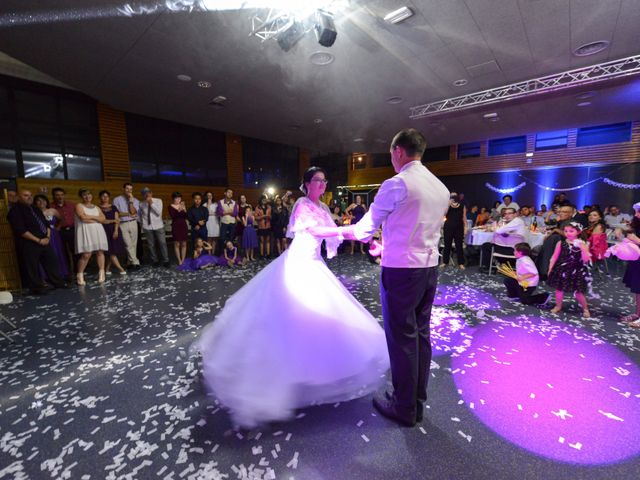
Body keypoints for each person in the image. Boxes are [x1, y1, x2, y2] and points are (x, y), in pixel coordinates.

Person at [198, 166, 389, 428]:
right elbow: (317, 232)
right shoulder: (301, 204)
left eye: (325, 180)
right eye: (318, 180)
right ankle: (285, 373)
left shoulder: (322, 207)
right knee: (294, 315)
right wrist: (351, 229)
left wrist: (361, 237)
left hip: (315, 262)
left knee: (319, 316)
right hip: (299, 263)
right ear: (307, 183)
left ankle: (313, 370)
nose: (322, 184)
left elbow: (334, 229)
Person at [342, 128, 450, 427]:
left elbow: (365, 229)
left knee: (402, 337)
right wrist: (385, 244)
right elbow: (416, 227)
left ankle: (403, 408)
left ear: (398, 151)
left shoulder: (397, 183)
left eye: (391, 154)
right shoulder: (440, 187)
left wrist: (342, 231)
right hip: (429, 268)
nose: (391, 159)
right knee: (421, 334)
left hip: (402, 271)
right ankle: (415, 400)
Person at [7, 190, 67, 294]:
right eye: (26, 195)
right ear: (18, 197)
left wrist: (47, 238)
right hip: (29, 242)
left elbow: (46, 224)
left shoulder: (35, 208)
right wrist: (38, 240)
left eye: (30, 195)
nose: (29, 197)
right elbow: (20, 230)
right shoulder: (15, 211)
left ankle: (58, 283)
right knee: (32, 267)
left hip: (44, 240)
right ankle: (37, 288)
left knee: (51, 262)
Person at [547, 222, 591, 318]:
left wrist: (584, 249)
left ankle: (585, 308)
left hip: (577, 270)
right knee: (559, 289)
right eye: (566, 231)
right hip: (562, 269)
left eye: (571, 231)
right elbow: (554, 257)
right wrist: (550, 268)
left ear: (578, 232)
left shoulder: (582, 244)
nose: (568, 233)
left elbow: (586, 260)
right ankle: (558, 306)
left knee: (578, 292)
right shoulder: (561, 243)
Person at [75, 188, 109, 285]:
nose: (87, 197)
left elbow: (103, 218)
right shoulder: (79, 206)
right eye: (85, 195)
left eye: (89, 194)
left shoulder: (96, 207)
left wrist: (92, 217)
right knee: (86, 254)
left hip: (98, 231)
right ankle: (80, 274)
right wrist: (97, 219)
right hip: (86, 231)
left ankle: (102, 272)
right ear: (81, 197)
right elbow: (83, 218)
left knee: (100, 252)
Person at [479, 208, 526, 272]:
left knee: (486, 245)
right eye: (505, 213)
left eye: (509, 213)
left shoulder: (516, 221)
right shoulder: (514, 221)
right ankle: (500, 265)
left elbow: (498, 230)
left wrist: (495, 228)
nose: (507, 215)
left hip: (513, 250)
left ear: (515, 214)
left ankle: (488, 267)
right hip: (513, 248)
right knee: (490, 244)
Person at [34, 194, 69, 280]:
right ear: (35, 203)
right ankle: (45, 276)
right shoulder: (34, 213)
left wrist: (57, 228)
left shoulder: (52, 210)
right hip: (42, 236)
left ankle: (61, 274)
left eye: (43, 200)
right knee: (44, 255)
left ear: (46, 201)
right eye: (39, 200)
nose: (41, 202)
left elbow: (60, 220)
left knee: (57, 253)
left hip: (54, 235)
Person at [138, 187, 169, 267]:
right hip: (147, 227)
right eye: (144, 194)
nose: (146, 195)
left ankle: (166, 260)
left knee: (162, 243)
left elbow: (158, 212)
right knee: (151, 245)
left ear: (151, 193)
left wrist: (151, 203)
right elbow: (139, 215)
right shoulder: (141, 204)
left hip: (158, 226)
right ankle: (155, 260)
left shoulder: (158, 201)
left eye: (148, 193)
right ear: (143, 195)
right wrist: (142, 224)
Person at [113, 183, 141, 270]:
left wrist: (131, 201)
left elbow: (133, 212)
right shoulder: (116, 200)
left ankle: (130, 263)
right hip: (123, 223)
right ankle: (136, 262)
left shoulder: (135, 200)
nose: (129, 191)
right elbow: (117, 213)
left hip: (133, 223)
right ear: (123, 189)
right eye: (127, 189)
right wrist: (127, 214)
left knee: (133, 244)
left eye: (131, 189)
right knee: (127, 244)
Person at [620, 203, 640, 328]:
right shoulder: (637, 224)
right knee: (638, 290)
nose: (636, 215)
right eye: (636, 212)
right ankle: (638, 313)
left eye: (639, 212)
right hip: (637, 260)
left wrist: (636, 239)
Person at [98, 191, 127, 276]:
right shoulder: (98, 208)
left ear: (109, 197)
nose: (105, 198)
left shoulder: (113, 207)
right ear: (100, 197)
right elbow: (102, 220)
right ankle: (120, 268)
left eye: (107, 196)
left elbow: (117, 220)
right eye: (103, 196)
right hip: (103, 230)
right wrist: (111, 221)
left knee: (112, 250)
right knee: (110, 251)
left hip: (114, 229)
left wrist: (116, 230)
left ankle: (107, 269)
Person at [52, 187, 76, 276]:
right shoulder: (51, 206)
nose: (60, 197)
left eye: (61, 195)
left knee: (75, 251)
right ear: (54, 196)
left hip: (72, 231)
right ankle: (67, 272)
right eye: (57, 195)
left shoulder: (71, 205)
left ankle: (78, 271)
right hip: (59, 232)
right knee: (63, 252)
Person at [441, 192, 467, 270]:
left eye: (455, 196)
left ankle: (461, 263)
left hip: (459, 227)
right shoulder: (447, 205)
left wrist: (466, 227)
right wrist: (448, 205)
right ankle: (445, 262)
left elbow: (464, 217)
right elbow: (443, 214)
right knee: (447, 245)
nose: (453, 197)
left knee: (459, 245)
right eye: (452, 196)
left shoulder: (462, 205)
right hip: (448, 226)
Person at [168, 192, 189, 266]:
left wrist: (184, 208)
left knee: (184, 243)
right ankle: (179, 260)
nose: (178, 200)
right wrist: (180, 208)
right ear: (173, 199)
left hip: (183, 225)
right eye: (177, 198)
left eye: (180, 198)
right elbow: (174, 216)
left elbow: (186, 216)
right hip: (176, 225)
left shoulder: (182, 206)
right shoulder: (170, 206)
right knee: (177, 243)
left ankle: (183, 259)